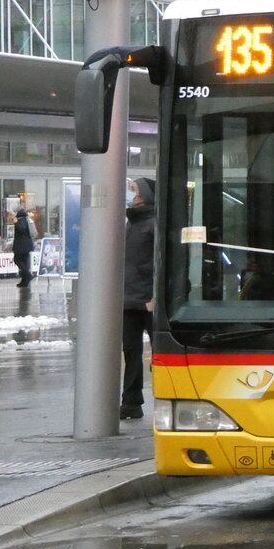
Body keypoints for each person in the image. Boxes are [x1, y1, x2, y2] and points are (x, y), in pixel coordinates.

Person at [121, 177, 156, 420]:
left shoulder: (152, 224)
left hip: (149, 301)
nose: (131, 195)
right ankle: (131, 401)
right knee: (131, 352)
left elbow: (160, 263)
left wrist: (154, 295)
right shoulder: (131, 223)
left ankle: (168, 397)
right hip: (129, 298)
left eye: (134, 190)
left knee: (160, 353)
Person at [12, 208, 36, 287]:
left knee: (17, 260)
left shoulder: (22, 220)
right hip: (26, 245)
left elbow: (21, 229)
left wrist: (16, 223)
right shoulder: (27, 220)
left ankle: (28, 275)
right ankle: (24, 281)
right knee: (24, 262)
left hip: (21, 245)